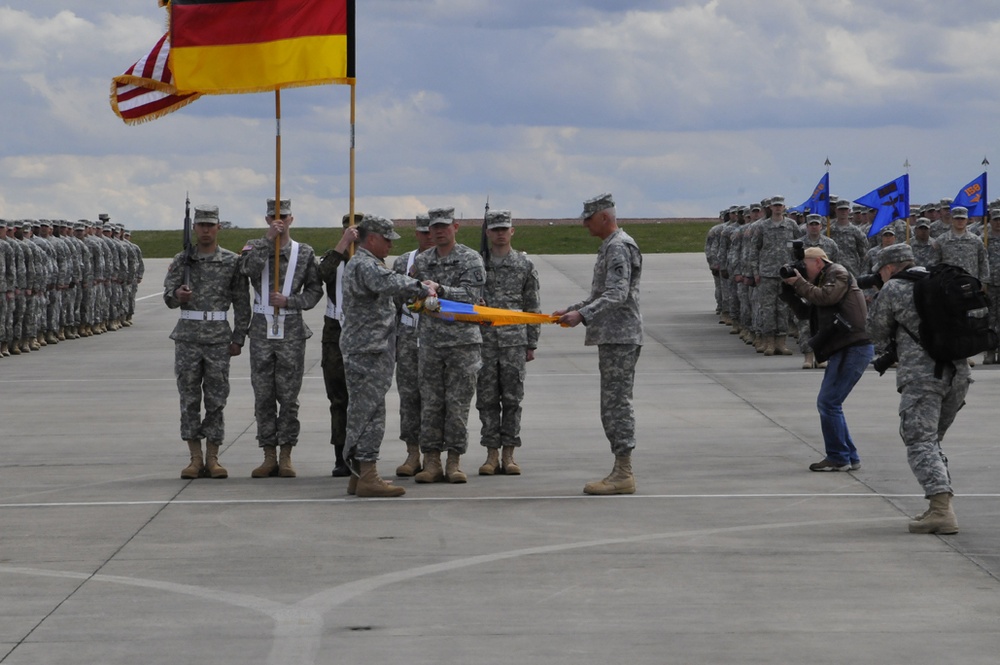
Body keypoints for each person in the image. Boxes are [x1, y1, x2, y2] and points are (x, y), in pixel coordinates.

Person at [866, 243, 967, 534]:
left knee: (920, 443)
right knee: (932, 442)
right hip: (958, 373)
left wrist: (876, 296)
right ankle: (940, 507)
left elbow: (875, 331)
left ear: (889, 268)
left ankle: (941, 512)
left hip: (922, 377)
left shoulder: (894, 288)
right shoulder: (940, 279)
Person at [340, 214, 437, 497]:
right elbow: (389, 283)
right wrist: (423, 287)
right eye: (387, 240)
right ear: (372, 238)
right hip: (369, 349)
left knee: (362, 410)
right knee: (370, 412)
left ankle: (359, 475)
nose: (390, 246)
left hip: (369, 347)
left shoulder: (364, 263)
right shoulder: (365, 264)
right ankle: (368, 475)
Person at [554, 193, 642, 495]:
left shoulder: (618, 246)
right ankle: (621, 470)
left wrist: (583, 315)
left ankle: (623, 473)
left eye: (588, 219)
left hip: (620, 336)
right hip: (613, 335)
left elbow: (618, 295)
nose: (584, 225)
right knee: (612, 404)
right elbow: (603, 293)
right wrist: (574, 308)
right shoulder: (611, 246)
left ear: (604, 217)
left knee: (616, 405)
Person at [163, 205, 251, 479]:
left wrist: (239, 337)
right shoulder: (182, 260)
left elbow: (241, 301)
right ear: (194, 228)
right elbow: (167, 298)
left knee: (216, 398)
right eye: (200, 225)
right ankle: (194, 457)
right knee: (189, 398)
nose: (205, 230)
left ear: (218, 228)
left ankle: (213, 457)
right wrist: (178, 295)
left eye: (210, 225)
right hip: (188, 337)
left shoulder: (231, 261)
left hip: (217, 338)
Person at [240, 198, 324, 478]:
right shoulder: (255, 245)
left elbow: (315, 291)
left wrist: (291, 301)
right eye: (273, 217)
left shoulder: (304, 252)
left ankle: (286, 453)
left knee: (288, 397)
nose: (279, 221)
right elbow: (247, 271)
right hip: (262, 330)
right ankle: (268, 454)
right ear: (266, 220)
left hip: (290, 328)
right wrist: (267, 240)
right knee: (263, 395)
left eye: (284, 216)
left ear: (291, 219)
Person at [411, 206, 486, 484]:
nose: (439, 231)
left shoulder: (470, 258)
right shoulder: (422, 260)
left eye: (445, 226)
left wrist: (441, 289)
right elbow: (413, 296)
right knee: (430, 403)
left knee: (457, 405)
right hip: (431, 342)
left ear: (456, 227)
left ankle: (454, 461)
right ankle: (431, 461)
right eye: (435, 227)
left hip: (463, 343)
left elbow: (472, 298)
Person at [782, 247, 874, 472]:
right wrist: (788, 291)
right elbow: (806, 313)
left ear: (819, 262)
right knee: (830, 403)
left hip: (853, 346)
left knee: (828, 402)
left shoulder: (837, 273)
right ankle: (848, 456)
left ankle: (839, 456)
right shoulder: (823, 280)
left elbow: (826, 297)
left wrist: (799, 283)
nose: (803, 269)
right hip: (844, 347)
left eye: (806, 264)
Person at [476, 209, 541, 476]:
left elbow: (532, 306)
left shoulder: (525, 265)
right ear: (488, 232)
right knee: (487, 399)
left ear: (512, 231)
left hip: (514, 341)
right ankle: (491, 454)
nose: (501, 233)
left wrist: (531, 343)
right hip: (485, 341)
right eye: (495, 229)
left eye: (505, 229)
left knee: (513, 399)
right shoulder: (478, 264)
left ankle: (509, 454)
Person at [317, 212, 361, 477]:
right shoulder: (333, 258)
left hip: (361, 334)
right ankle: (340, 455)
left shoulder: (370, 261)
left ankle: (361, 454)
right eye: (349, 231)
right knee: (338, 397)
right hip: (335, 333)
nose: (353, 235)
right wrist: (341, 247)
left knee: (362, 398)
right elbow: (321, 275)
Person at [391, 213, 434, 477]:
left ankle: (434, 456)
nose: (428, 237)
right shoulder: (402, 262)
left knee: (435, 399)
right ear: (416, 234)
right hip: (408, 337)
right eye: (423, 232)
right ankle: (412, 453)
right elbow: (393, 302)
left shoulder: (447, 263)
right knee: (409, 398)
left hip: (437, 338)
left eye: (432, 231)